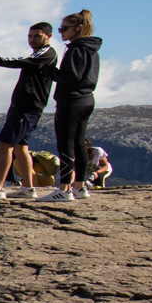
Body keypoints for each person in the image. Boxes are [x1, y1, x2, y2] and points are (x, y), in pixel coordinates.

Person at [0, 22, 57, 197]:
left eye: (37, 36)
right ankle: (28, 188)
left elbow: (19, 62)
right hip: (26, 106)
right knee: (20, 147)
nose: (32, 40)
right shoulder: (40, 53)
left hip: (27, 107)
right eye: (30, 36)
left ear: (48, 36)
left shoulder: (46, 54)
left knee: (5, 146)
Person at [42, 10, 101, 201]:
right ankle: (80, 187)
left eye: (64, 28)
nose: (61, 32)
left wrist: (50, 71)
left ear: (78, 28)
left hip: (71, 101)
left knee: (66, 144)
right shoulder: (91, 48)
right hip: (87, 99)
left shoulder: (76, 49)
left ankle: (64, 189)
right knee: (79, 144)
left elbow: (71, 76)